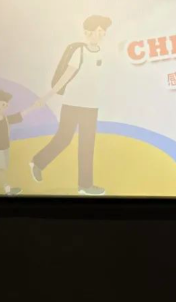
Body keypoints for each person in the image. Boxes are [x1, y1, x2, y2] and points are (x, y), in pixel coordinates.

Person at [30, 15, 113, 196]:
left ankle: (85, 185)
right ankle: (38, 162)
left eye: (104, 31)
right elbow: (65, 78)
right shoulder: (79, 52)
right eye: (99, 31)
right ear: (88, 32)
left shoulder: (102, 53)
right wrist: (46, 96)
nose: (102, 34)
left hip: (91, 107)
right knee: (64, 139)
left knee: (87, 145)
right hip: (72, 104)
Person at [0, 89, 37, 196]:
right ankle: (8, 191)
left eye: (6, 105)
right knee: (1, 170)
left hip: (5, 149)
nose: (5, 106)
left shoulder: (7, 119)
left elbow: (20, 115)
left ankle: (7, 190)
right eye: (3, 104)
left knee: (3, 169)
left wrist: (34, 107)